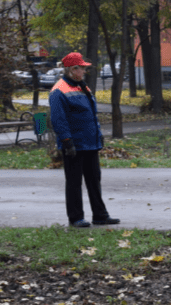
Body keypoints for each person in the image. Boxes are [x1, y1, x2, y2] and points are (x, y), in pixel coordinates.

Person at [50, 52, 120, 228]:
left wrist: (98, 136)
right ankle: (75, 217)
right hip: (74, 144)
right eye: (82, 68)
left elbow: (90, 114)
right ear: (73, 70)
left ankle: (100, 215)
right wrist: (67, 141)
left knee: (94, 179)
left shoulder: (82, 86)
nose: (84, 71)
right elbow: (58, 120)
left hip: (90, 142)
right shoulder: (59, 90)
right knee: (74, 182)